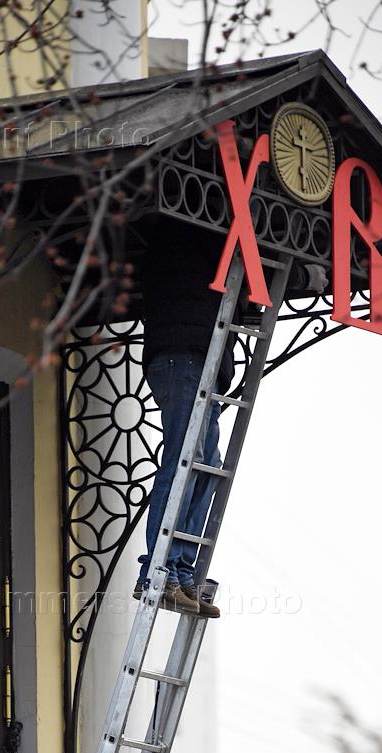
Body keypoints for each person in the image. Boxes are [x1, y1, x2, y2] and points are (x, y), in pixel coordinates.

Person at [134, 217, 235, 619]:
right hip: (184, 358)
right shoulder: (185, 230)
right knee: (184, 463)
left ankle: (181, 571)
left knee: (207, 467)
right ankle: (159, 571)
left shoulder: (194, 233)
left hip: (197, 362)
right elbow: (236, 274)